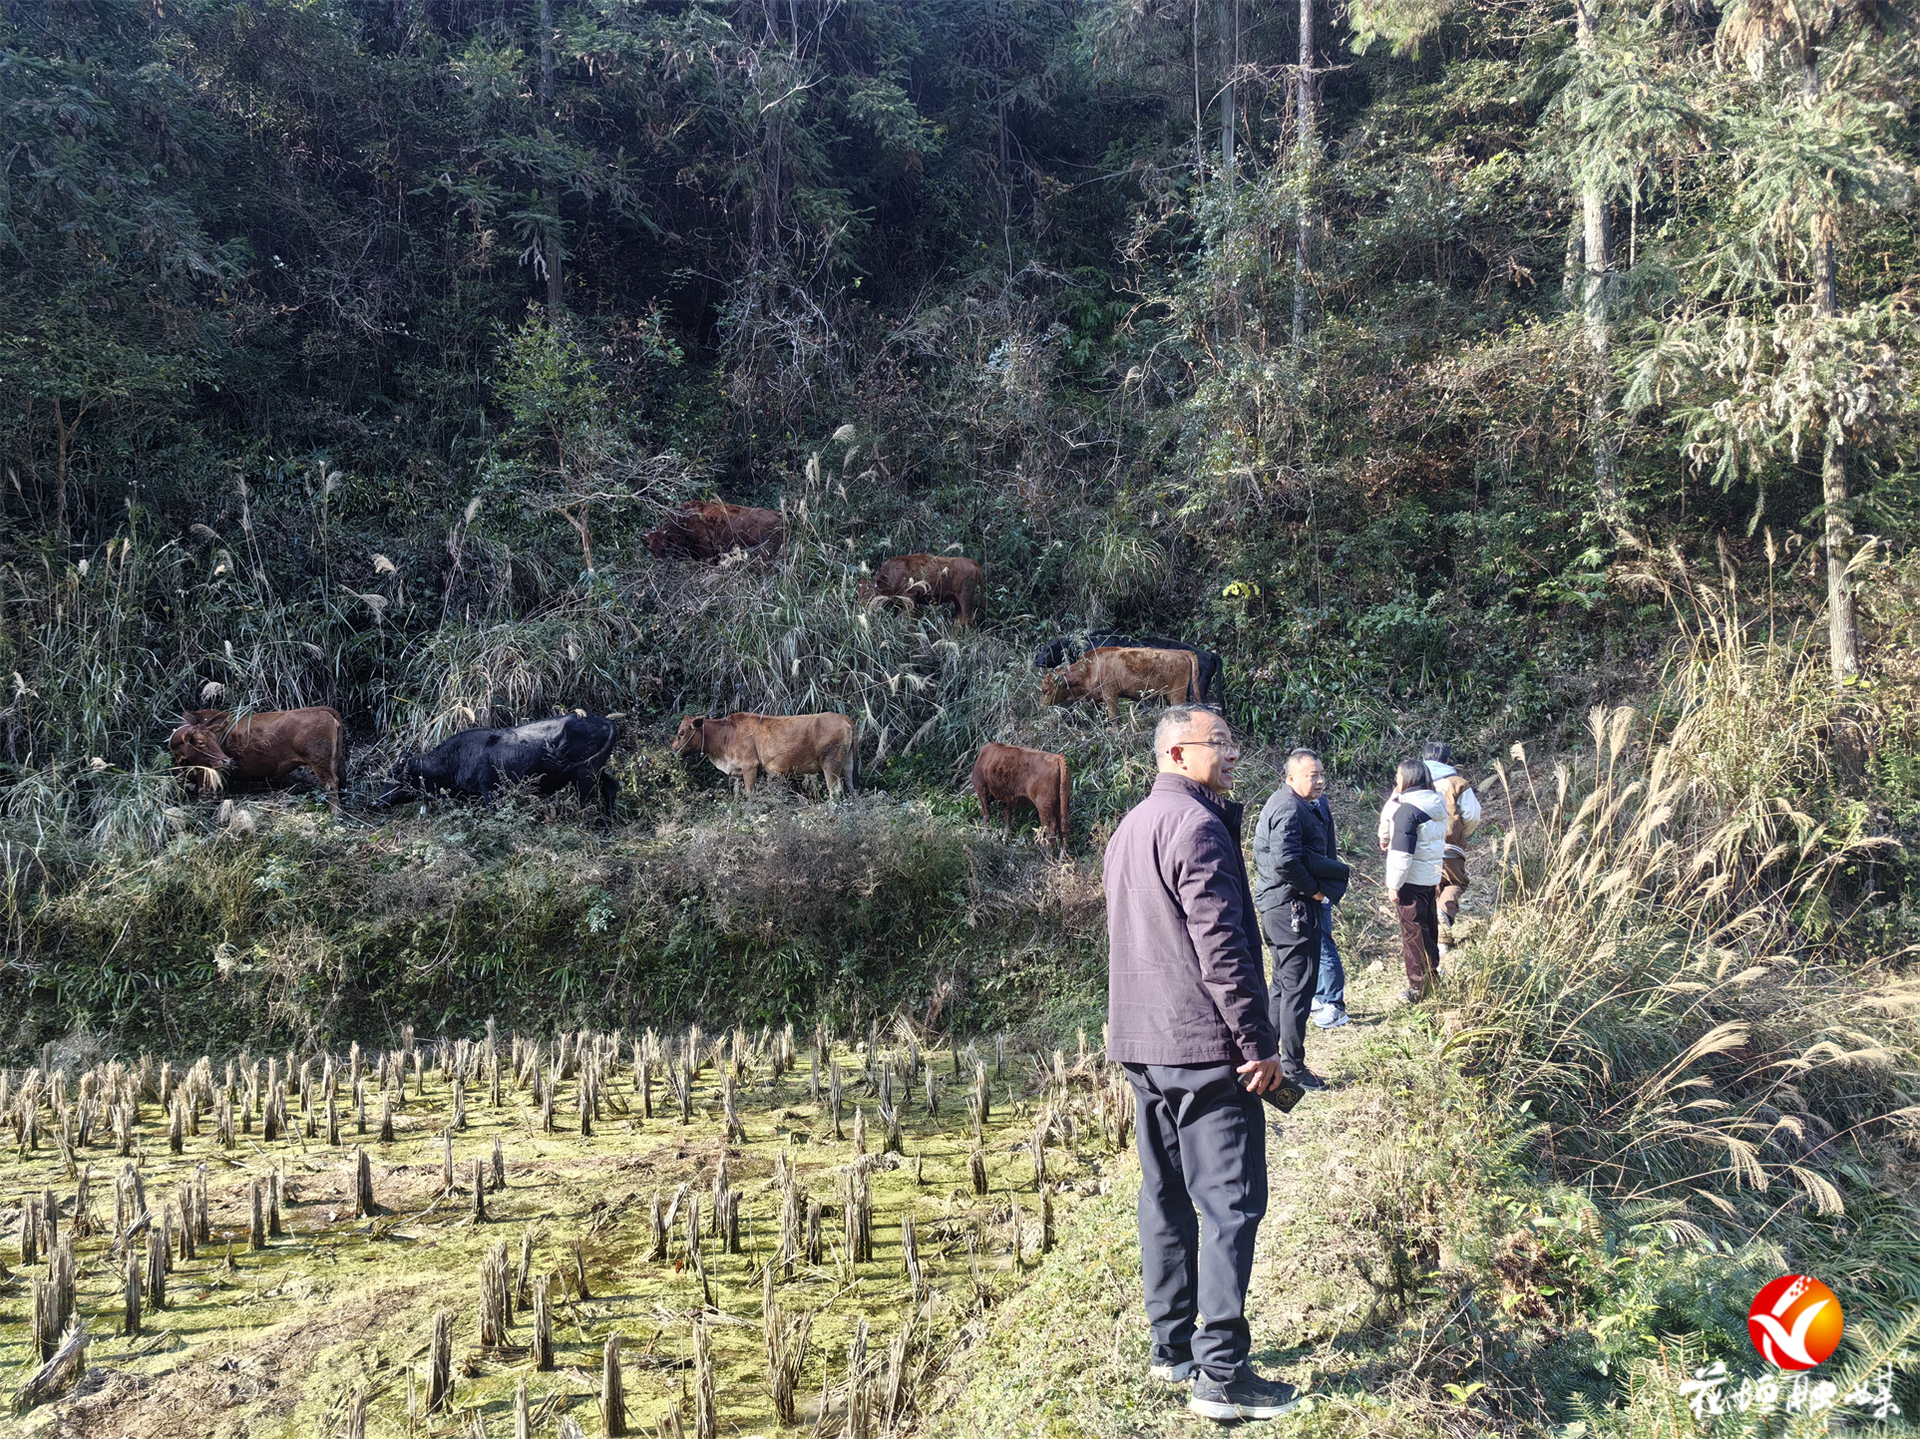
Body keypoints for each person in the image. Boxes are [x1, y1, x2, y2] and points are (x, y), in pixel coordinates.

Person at [1106, 704, 1303, 1421]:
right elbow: (1224, 950)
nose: (1231, 755)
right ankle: (1220, 1375)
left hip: (1141, 1044)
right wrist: (1258, 1043)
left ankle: (1173, 1348)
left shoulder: (1130, 826)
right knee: (1229, 1205)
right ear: (1178, 753)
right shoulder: (1199, 827)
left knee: (1163, 1197)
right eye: (1219, 744)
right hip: (1200, 1046)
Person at [1252, 749, 1351, 1087]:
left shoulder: (1306, 803)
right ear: (1291, 777)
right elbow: (1285, 862)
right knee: (1297, 987)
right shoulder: (1288, 808)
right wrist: (1316, 892)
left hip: (1286, 904)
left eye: (1322, 773)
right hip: (1288, 907)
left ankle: (1268, 1058)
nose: (1320, 780)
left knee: (1284, 983)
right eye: (1313, 775)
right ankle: (1292, 1068)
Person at [1378, 758, 1448, 1002]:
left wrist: (1393, 885)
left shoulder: (1408, 812)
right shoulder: (1435, 804)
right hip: (1430, 877)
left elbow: (1401, 854)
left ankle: (1419, 988)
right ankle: (1433, 979)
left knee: (1413, 935)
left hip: (1410, 880)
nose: (1395, 781)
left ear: (1407, 779)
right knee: (1428, 929)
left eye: (1398, 777)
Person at [1420, 741, 1481, 959]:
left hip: (1422, 846)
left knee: (1432, 886)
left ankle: (1437, 940)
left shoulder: (1412, 780)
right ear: (1447, 760)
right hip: (1450, 845)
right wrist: (1462, 832)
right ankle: (1444, 914)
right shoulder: (1458, 783)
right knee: (1456, 882)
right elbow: (1473, 815)